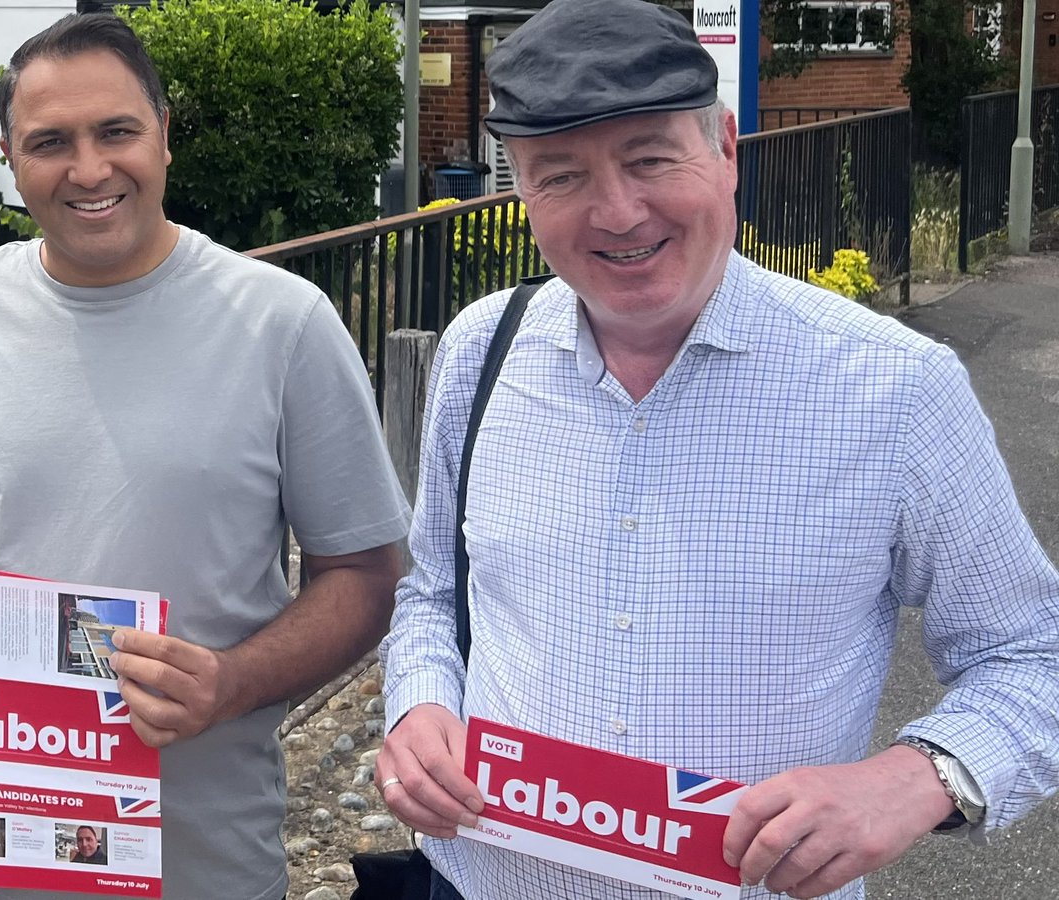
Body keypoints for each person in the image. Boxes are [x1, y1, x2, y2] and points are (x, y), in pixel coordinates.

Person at [376, 1, 1059, 898]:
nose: (618, 211)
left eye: (651, 158)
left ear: (727, 149)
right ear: (524, 189)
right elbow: (432, 593)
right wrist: (421, 701)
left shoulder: (895, 388)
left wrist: (916, 777)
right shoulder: (480, 352)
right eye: (561, 176)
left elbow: (1031, 657)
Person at [0, 13, 410, 900]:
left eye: (116, 130)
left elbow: (366, 575)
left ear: (163, 133)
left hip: (204, 862)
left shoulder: (284, 324)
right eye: (50, 142)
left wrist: (231, 684)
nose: (88, 169)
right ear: (9, 157)